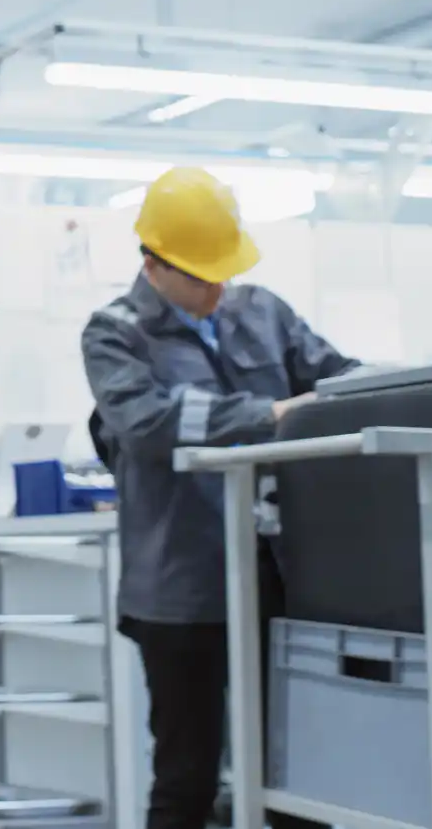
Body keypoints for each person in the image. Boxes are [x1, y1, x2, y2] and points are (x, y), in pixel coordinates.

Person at [81, 166, 356, 829]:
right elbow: (148, 422)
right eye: (200, 274)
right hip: (180, 591)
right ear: (153, 264)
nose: (216, 287)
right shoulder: (114, 333)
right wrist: (270, 413)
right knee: (186, 777)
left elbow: (337, 379)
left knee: (298, 774)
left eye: (221, 270)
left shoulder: (263, 312)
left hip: (278, 579)